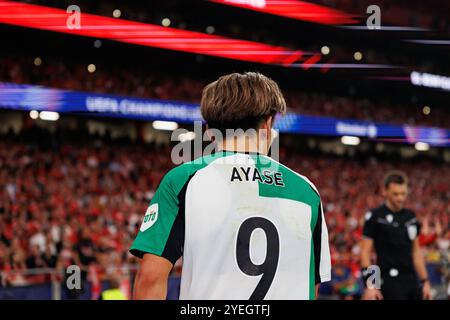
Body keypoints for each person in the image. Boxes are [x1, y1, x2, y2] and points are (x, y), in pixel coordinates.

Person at [130, 72, 331, 300]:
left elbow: (150, 280)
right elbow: (310, 287)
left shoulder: (184, 179)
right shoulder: (307, 191)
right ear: (267, 125)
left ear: (209, 131)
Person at [360, 171, 432, 300]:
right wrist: (372, 285)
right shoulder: (375, 216)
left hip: (411, 280)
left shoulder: (411, 217)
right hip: (388, 280)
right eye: (395, 194)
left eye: (403, 194)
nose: (400, 198)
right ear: (385, 191)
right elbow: (366, 252)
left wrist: (425, 281)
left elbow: (416, 252)